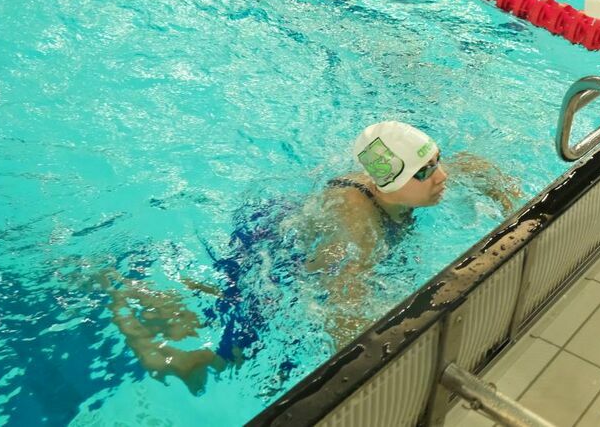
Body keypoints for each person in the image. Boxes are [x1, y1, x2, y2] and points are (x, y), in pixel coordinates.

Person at [97, 121, 521, 388]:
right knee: (243, 344)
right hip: (274, 244)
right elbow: (341, 309)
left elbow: (479, 167)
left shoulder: (397, 183)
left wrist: (515, 209)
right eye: (425, 171)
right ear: (388, 184)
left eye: (436, 160)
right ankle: (151, 330)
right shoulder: (356, 225)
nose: (442, 175)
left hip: (302, 224)